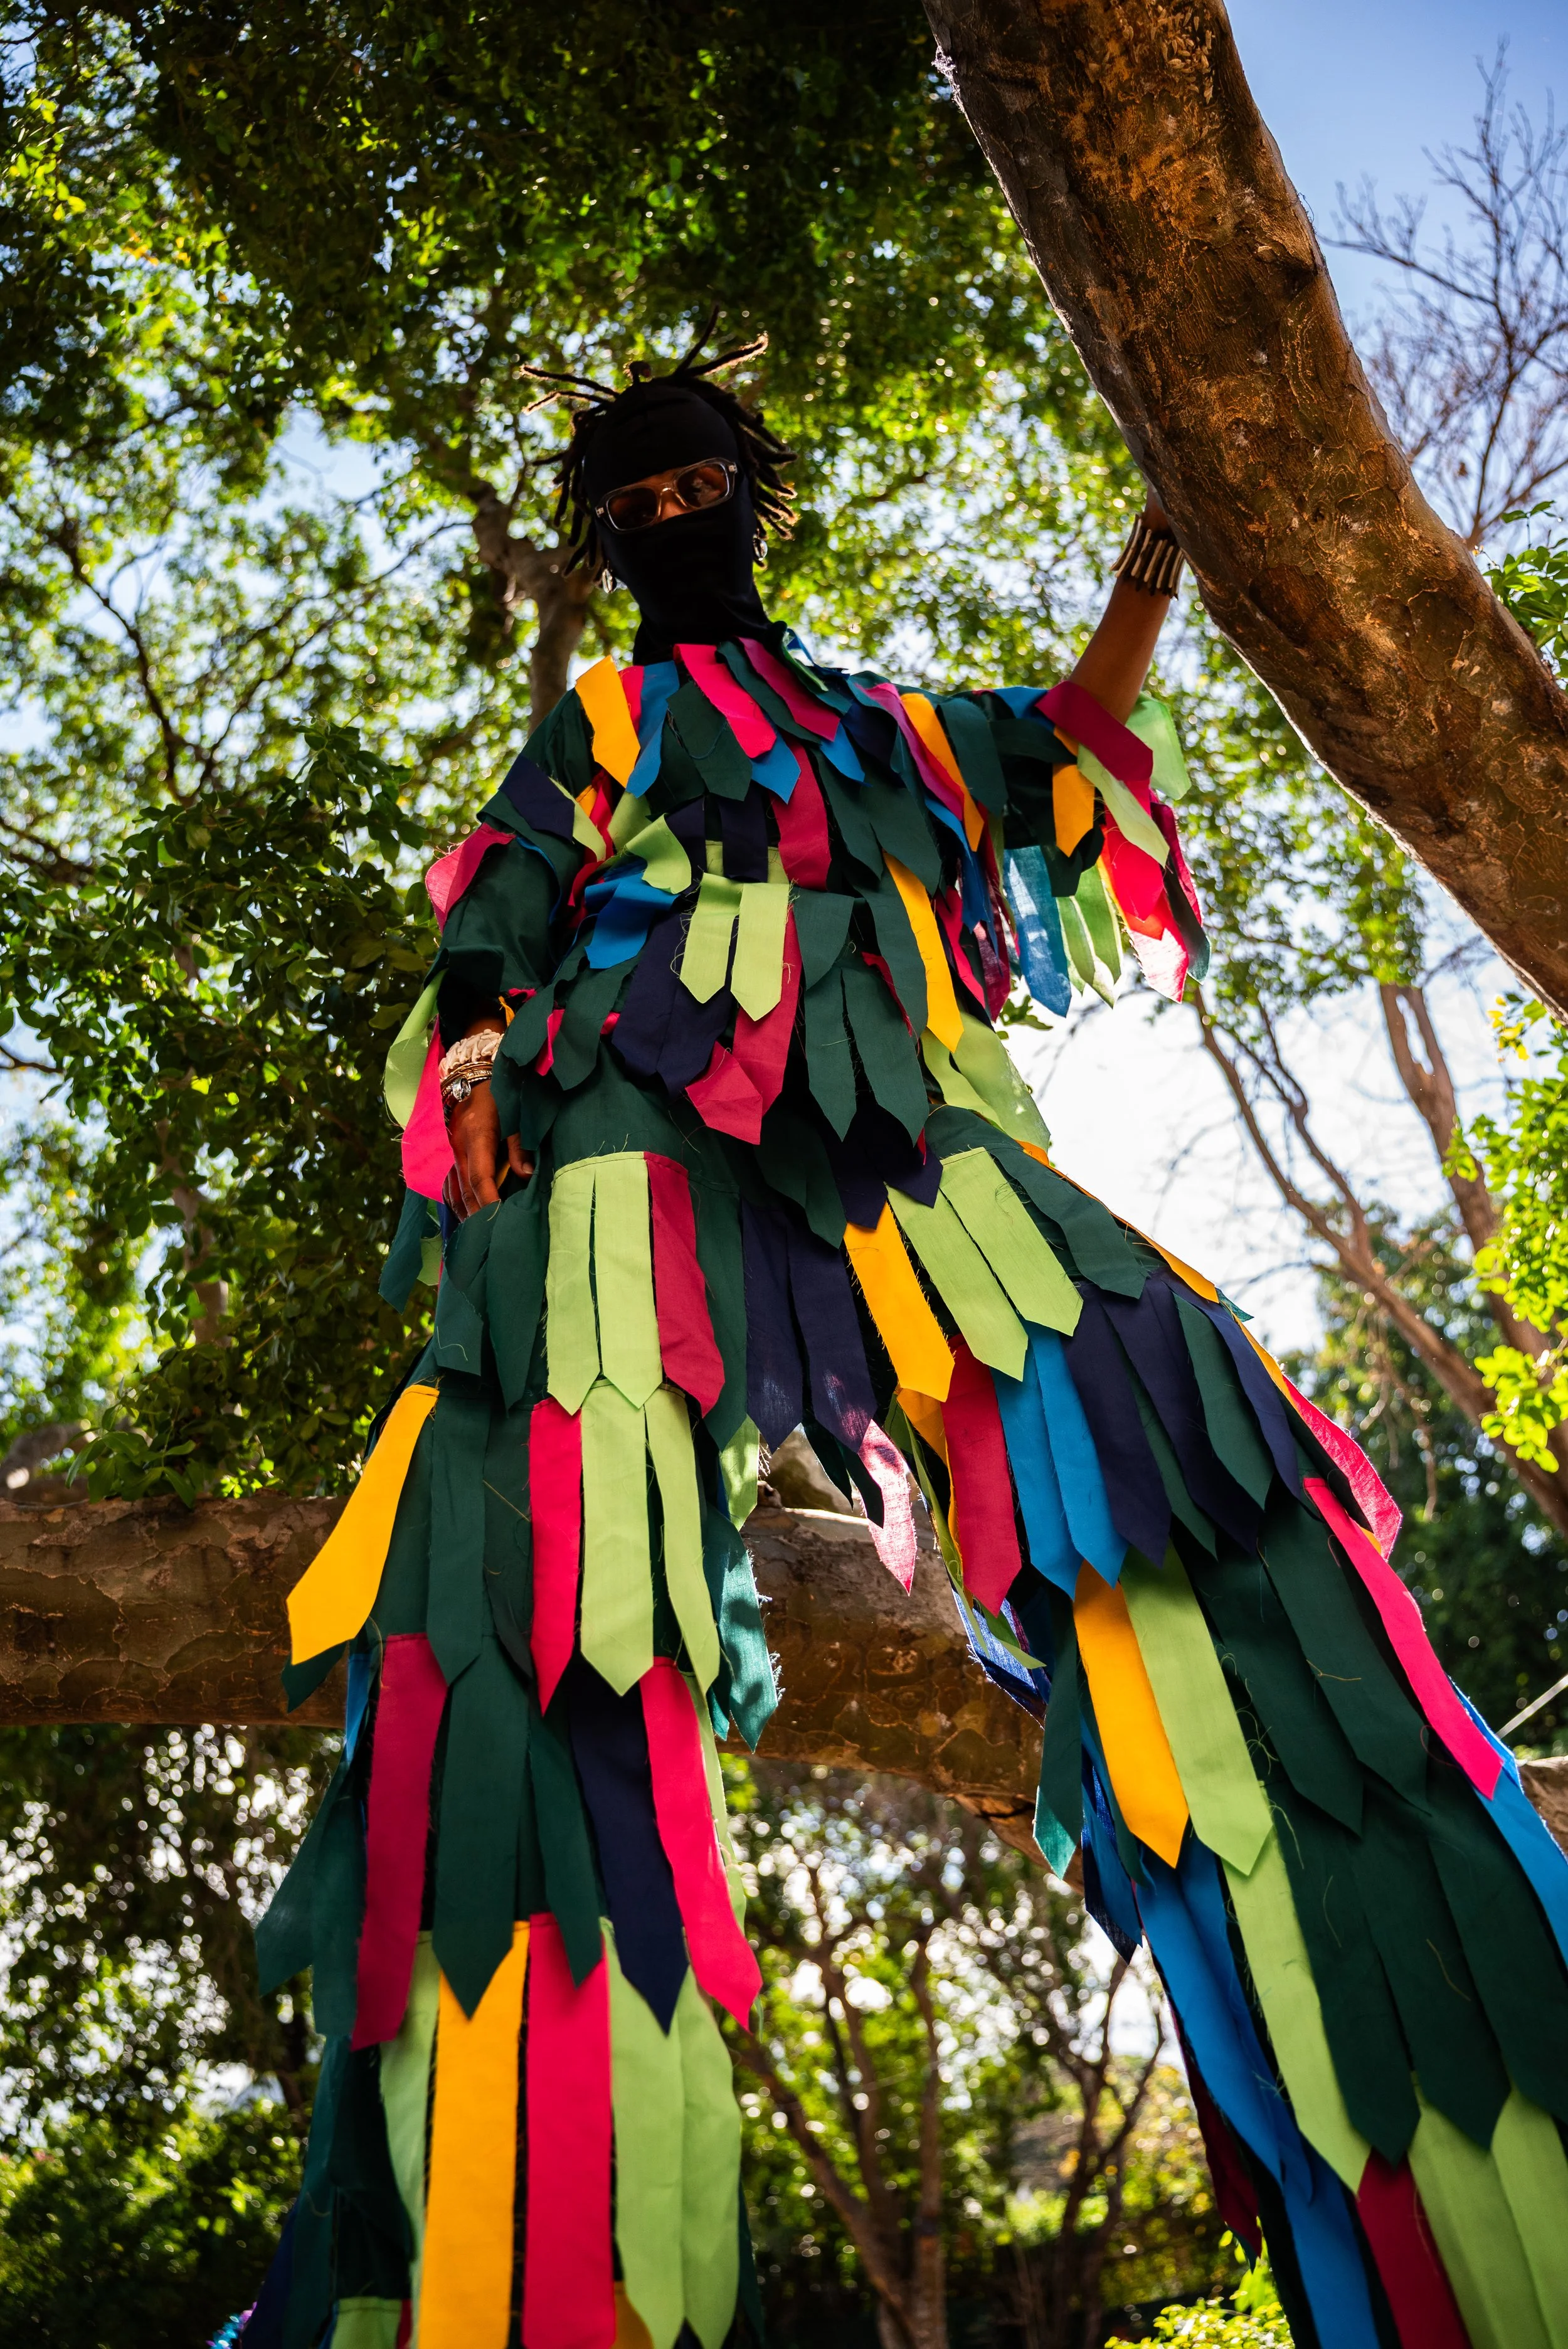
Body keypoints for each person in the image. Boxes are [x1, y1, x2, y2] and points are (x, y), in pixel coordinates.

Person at [244, 333, 1568, 2349]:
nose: (677, 523)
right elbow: (504, 891)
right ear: (608, 540)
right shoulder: (608, 713)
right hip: (626, 1112)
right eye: (638, 508)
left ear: (754, 502)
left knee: (1187, 1427)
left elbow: (1057, 749)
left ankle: (1479, 2194)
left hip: (910, 1146)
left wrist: (1155, 573)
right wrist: (497, 1030)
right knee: (538, 1575)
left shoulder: (881, 725)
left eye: (702, 490)